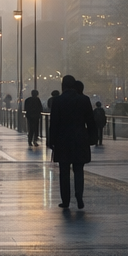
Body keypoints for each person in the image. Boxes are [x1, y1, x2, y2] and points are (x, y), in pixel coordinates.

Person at [48, 75, 95, 209]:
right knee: (79, 168)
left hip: (62, 139)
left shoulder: (58, 101)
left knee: (64, 171)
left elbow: (54, 123)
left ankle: (66, 200)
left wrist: (51, 141)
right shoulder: (84, 100)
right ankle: (79, 193)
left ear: (63, 85)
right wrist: (92, 138)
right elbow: (90, 121)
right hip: (80, 138)